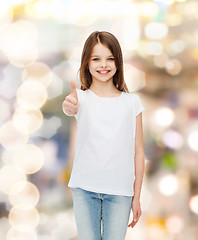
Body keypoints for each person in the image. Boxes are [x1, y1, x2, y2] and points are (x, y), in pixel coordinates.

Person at [62, 31, 145, 240]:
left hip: (120, 192)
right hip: (84, 189)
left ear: (118, 63)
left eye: (110, 59)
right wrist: (69, 107)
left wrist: (137, 197)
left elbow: (138, 152)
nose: (103, 65)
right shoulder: (80, 98)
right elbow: (70, 107)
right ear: (87, 63)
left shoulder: (131, 103)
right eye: (96, 59)